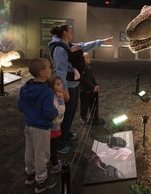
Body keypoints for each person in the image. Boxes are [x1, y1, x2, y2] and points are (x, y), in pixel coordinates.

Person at [48, 23, 113, 154]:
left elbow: (84, 45)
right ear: (65, 33)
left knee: (71, 112)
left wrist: (101, 42)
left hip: (74, 84)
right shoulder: (60, 49)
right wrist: (64, 90)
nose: (73, 34)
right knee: (65, 114)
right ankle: (60, 143)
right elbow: (60, 71)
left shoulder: (68, 45)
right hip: (68, 86)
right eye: (71, 31)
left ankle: (65, 133)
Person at [18, 58, 58, 193]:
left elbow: (21, 107)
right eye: (48, 67)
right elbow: (49, 113)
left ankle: (30, 174)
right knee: (42, 154)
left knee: (29, 150)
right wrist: (56, 111)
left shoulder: (25, 88)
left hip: (28, 125)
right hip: (41, 128)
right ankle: (41, 181)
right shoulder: (46, 92)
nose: (51, 69)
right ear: (42, 73)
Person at [80, 52, 104, 125]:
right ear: (83, 59)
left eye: (89, 57)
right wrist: (92, 87)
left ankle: (92, 117)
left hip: (92, 90)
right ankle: (83, 117)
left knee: (92, 104)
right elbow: (84, 80)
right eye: (87, 57)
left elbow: (92, 78)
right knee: (84, 106)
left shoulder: (88, 67)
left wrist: (95, 85)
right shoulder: (81, 68)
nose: (89, 59)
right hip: (85, 91)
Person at [47, 76, 65, 173]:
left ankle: (50, 161)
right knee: (53, 146)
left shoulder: (52, 95)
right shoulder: (55, 98)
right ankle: (54, 165)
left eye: (61, 83)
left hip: (53, 126)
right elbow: (60, 111)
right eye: (58, 84)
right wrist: (61, 99)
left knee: (50, 146)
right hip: (53, 127)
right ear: (51, 87)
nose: (61, 85)